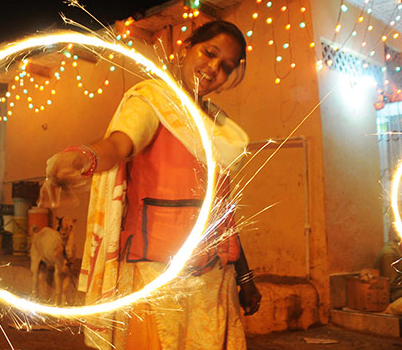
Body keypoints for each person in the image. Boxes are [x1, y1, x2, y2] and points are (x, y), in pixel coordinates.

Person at [46, 20, 261, 350]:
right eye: (209, 53)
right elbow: (118, 146)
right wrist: (83, 157)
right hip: (157, 279)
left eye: (226, 67)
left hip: (214, 283)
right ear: (187, 48)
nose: (213, 68)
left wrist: (244, 276)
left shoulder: (219, 130)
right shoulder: (152, 101)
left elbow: (222, 213)